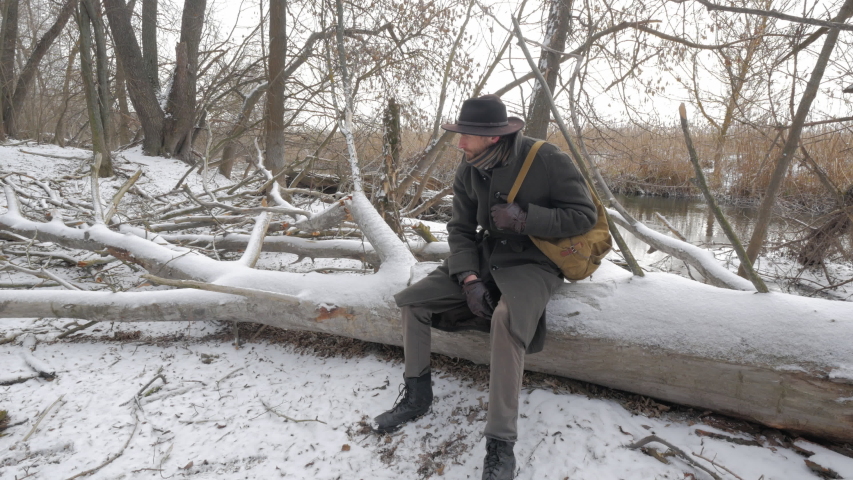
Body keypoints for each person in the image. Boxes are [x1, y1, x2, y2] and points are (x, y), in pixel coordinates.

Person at [373, 94, 597, 480]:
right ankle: (417, 397)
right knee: (414, 302)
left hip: (535, 262)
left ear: (493, 137)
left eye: (467, 135)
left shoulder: (547, 158)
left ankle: (500, 443)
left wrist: (526, 219)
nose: (459, 143)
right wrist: (469, 278)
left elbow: (584, 216)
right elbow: (460, 229)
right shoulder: (469, 167)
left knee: (506, 320)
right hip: (484, 256)